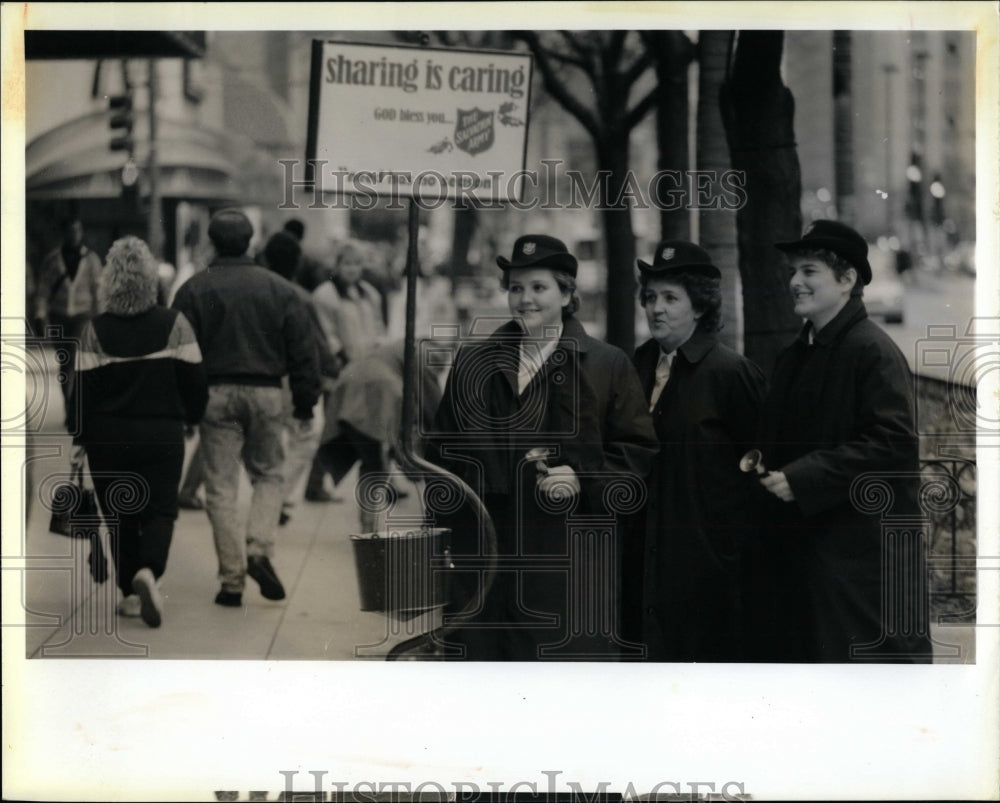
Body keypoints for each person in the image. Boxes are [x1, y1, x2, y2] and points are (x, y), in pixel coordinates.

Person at [427, 234, 659, 661]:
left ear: (567, 293)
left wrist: (583, 476)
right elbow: (442, 452)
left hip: (565, 566)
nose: (524, 300)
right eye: (516, 288)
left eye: (538, 288)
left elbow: (637, 455)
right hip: (483, 562)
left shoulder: (608, 366)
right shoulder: (472, 363)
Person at [748, 220, 932, 663]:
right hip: (813, 562)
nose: (794, 282)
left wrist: (802, 477)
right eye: (793, 271)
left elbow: (893, 444)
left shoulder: (872, 351)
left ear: (847, 279)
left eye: (809, 271)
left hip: (861, 570)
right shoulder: (798, 354)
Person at [172, 209, 321, 608]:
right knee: (270, 475)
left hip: (214, 394)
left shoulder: (192, 290)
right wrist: (305, 400)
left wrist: (185, 408)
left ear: (212, 242)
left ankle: (232, 581)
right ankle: (259, 549)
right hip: (267, 392)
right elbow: (304, 352)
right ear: (251, 242)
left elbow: (180, 355)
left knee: (220, 488)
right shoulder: (279, 289)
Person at [631, 241, 766, 661]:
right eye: (651, 297)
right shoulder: (636, 365)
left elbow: (760, 467)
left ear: (701, 307)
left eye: (671, 298)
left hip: (707, 569)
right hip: (644, 561)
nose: (657, 308)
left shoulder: (731, 373)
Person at [68, 236, 207, 627]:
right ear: (152, 281)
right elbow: (196, 381)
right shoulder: (175, 324)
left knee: (120, 514)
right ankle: (150, 570)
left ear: (108, 282)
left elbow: (81, 393)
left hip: (107, 438)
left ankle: (130, 593)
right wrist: (193, 416)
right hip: (162, 433)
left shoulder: (95, 330)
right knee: (161, 509)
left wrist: (79, 440)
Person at [316, 339, 442, 532]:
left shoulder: (400, 347)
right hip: (377, 392)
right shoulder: (425, 353)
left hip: (349, 384)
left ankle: (368, 524)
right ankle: (368, 529)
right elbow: (432, 405)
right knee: (375, 464)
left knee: (373, 458)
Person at [261, 230, 342, 526]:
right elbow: (315, 345)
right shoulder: (301, 297)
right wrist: (331, 370)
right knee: (305, 438)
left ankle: (272, 497)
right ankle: (276, 497)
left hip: (261, 377)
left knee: (273, 443)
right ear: (297, 263)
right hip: (289, 379)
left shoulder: (258, 289)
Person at [307, 239, 386, 501]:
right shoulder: (325, 295)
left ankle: (379, 477)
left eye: (357, 263)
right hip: (340, 373)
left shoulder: (369, 293)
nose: (352, 269)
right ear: (337, 265)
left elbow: (377, 329)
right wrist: (343, 360)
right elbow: (326, 336)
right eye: (347, 263)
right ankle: (315, 483)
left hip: (368, 371)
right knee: (335, 427)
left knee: (372, 426)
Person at [34, 216, 103, 409]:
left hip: (82, 315)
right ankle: (68, 402)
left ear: (82, 233)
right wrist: (40, 314)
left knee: (74, 357)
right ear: (64, 233)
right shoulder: (52, 260)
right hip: (59, 315)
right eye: (71, 231)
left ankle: (74, 405)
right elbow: (43, 289)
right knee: (65, 362)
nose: (74, 235)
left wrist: (101, 318)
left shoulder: (91, 260)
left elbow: (98, 290)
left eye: (78, 231)